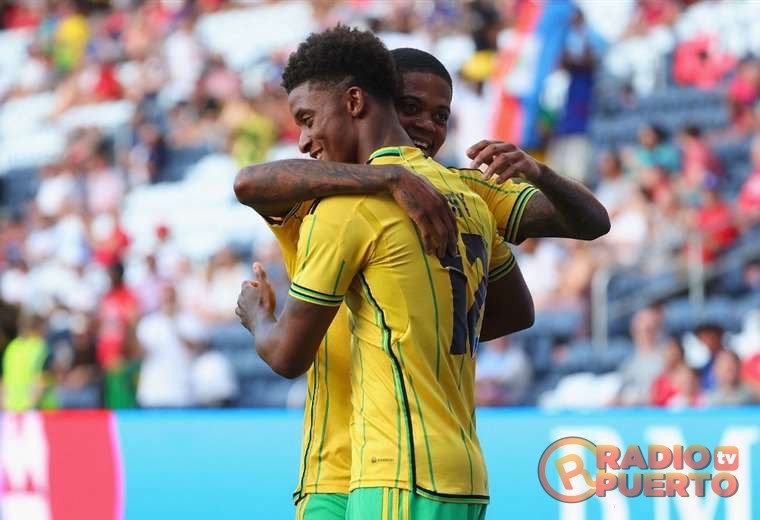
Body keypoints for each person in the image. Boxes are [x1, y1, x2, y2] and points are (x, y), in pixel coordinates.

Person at [233, 43, 608, 520]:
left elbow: (587, 226)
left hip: (390, 463)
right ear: (371, 103)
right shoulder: (322, 187)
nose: (427, 125)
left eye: (441, 115)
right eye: (410, 108)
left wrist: (538, 172)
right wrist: (387, 177)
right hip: (347, 464)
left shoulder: (461, 191)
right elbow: (248, 182)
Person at [135, 286, 194, 408]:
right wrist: (131, 326)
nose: (168, 302)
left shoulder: (188, 320)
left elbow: (195, 347)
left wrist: (173, 323)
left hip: (182, 394)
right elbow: (138, 354)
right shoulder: (148, 323)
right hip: (153, 393)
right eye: (165, 298)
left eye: (171, 298)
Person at [2, 311, 51, 411]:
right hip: (33, 408)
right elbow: (41, 380)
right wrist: (31, 406)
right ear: (38, 327)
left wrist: (3, 405)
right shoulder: (40, 346)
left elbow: (4, 380)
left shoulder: (12, 347)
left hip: (9, 407)